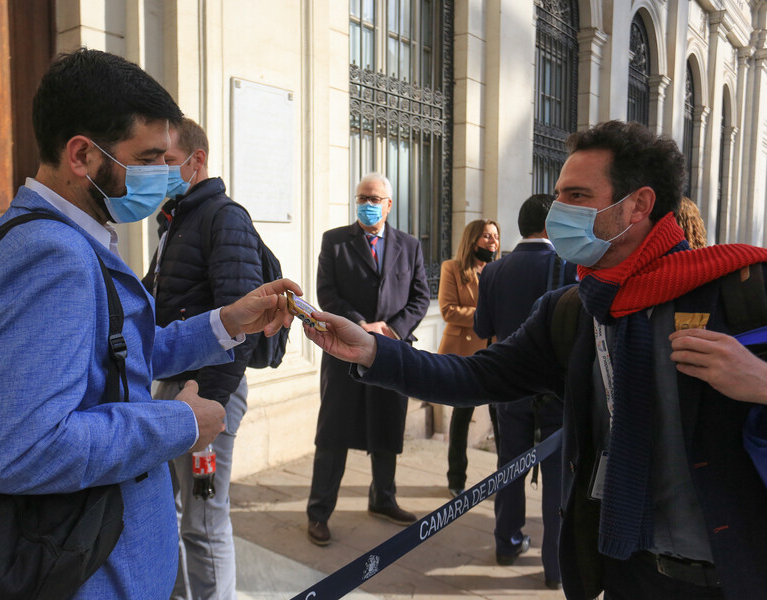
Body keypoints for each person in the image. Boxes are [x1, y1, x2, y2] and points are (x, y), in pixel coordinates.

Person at [303, 120, 767, 600]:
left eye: (578, 196)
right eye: (559, 194)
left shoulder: (740, 291)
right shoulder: (573, 310)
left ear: (639, 205)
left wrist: (761, 382)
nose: (559, 210)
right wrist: (374, 351)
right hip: (626, 571)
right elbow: (477, 375)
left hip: (737, 579)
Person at [0, 49, 301, 600]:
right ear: (81, 155)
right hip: (92, 574)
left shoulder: (69, 237)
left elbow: (118, 351)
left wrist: (225, 322)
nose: (163, 175)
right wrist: (178, 423)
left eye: (167, 159)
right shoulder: (51, 255)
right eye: (147, 159)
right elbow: (21, 450)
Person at [141, 117, 260, 600]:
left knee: (204, 521)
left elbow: (244, 323)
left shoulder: (224, 218)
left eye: (168, 162)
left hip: (207, 392)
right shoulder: (175, 221)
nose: (159, 172)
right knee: (164, 513)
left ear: (197, 160)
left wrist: (207, 401)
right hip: (175, 388)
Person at [306, 172, 430, 546]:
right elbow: (327, 293)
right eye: (362, 197)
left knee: (387, 426)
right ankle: (319, 512)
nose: (367, 204)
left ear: (389, 205)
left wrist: (391, 328)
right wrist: (360, 325)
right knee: (334, 432)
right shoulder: (335, 242)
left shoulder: (409, 245)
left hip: (392, 352)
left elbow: (421, 296)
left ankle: (383, 498)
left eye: (375, 199)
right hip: (345, 351)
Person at [473, 193, 576, 589]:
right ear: (551, 226)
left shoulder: (494, 270)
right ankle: (555, 568)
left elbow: (483, 329)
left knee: (508, 468)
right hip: (557, 394)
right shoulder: (567, 266)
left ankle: (506, 541)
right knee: (558, 481)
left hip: (509, 390)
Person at [439, 219, 499, 498]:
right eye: (486, 236)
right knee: (461, 418)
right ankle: (456, 480)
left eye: (495, 236)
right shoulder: (451, 268)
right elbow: (448, 310)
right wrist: (485, 315)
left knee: (500, 419)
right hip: (465, 356)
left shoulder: (499, 270)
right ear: (472, 240)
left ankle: (504, 479)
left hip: (496, 353)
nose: (492, 241)